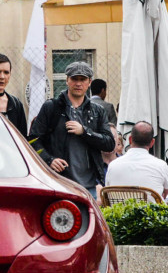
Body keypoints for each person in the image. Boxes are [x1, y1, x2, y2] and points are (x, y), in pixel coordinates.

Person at [28, 62, 115, 196]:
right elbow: (33, 141)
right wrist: (49, 160)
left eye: (83, 79)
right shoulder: (51, 107)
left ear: (89, 82)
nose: (78, 83)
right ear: (67, 80)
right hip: (58, 182)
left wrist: (85, 132)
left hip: (89, 185)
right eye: (74, 79)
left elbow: (109, 143)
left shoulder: (97, 111)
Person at [103, 121, 168, 199]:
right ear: (152, 143)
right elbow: (165, 194)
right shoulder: (161, 165)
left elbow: (107, 194)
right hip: (150, 210)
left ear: (130, 139)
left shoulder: (113, 165)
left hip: (120, 210)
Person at [89, 78, 122, 164]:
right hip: (105, 145)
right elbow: (115, 126)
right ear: (103, 90)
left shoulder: (85, 105)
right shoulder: (108, 106)